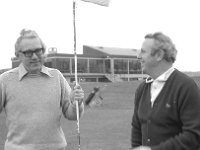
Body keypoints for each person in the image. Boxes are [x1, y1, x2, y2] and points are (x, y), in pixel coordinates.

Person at [0, 29, 84, 150]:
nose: (34, 57)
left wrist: (77, 103)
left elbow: (71, 115)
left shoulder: (57, 77)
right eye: (28, 52)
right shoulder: (4, 80)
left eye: (38, 51)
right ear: (18, 55)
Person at [131, 32, 200, 150]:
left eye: (143, 52)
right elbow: (137, 129)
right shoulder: (142, 89)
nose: (138, 56)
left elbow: (194, 136)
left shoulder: (186, 87)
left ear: (159, 55)